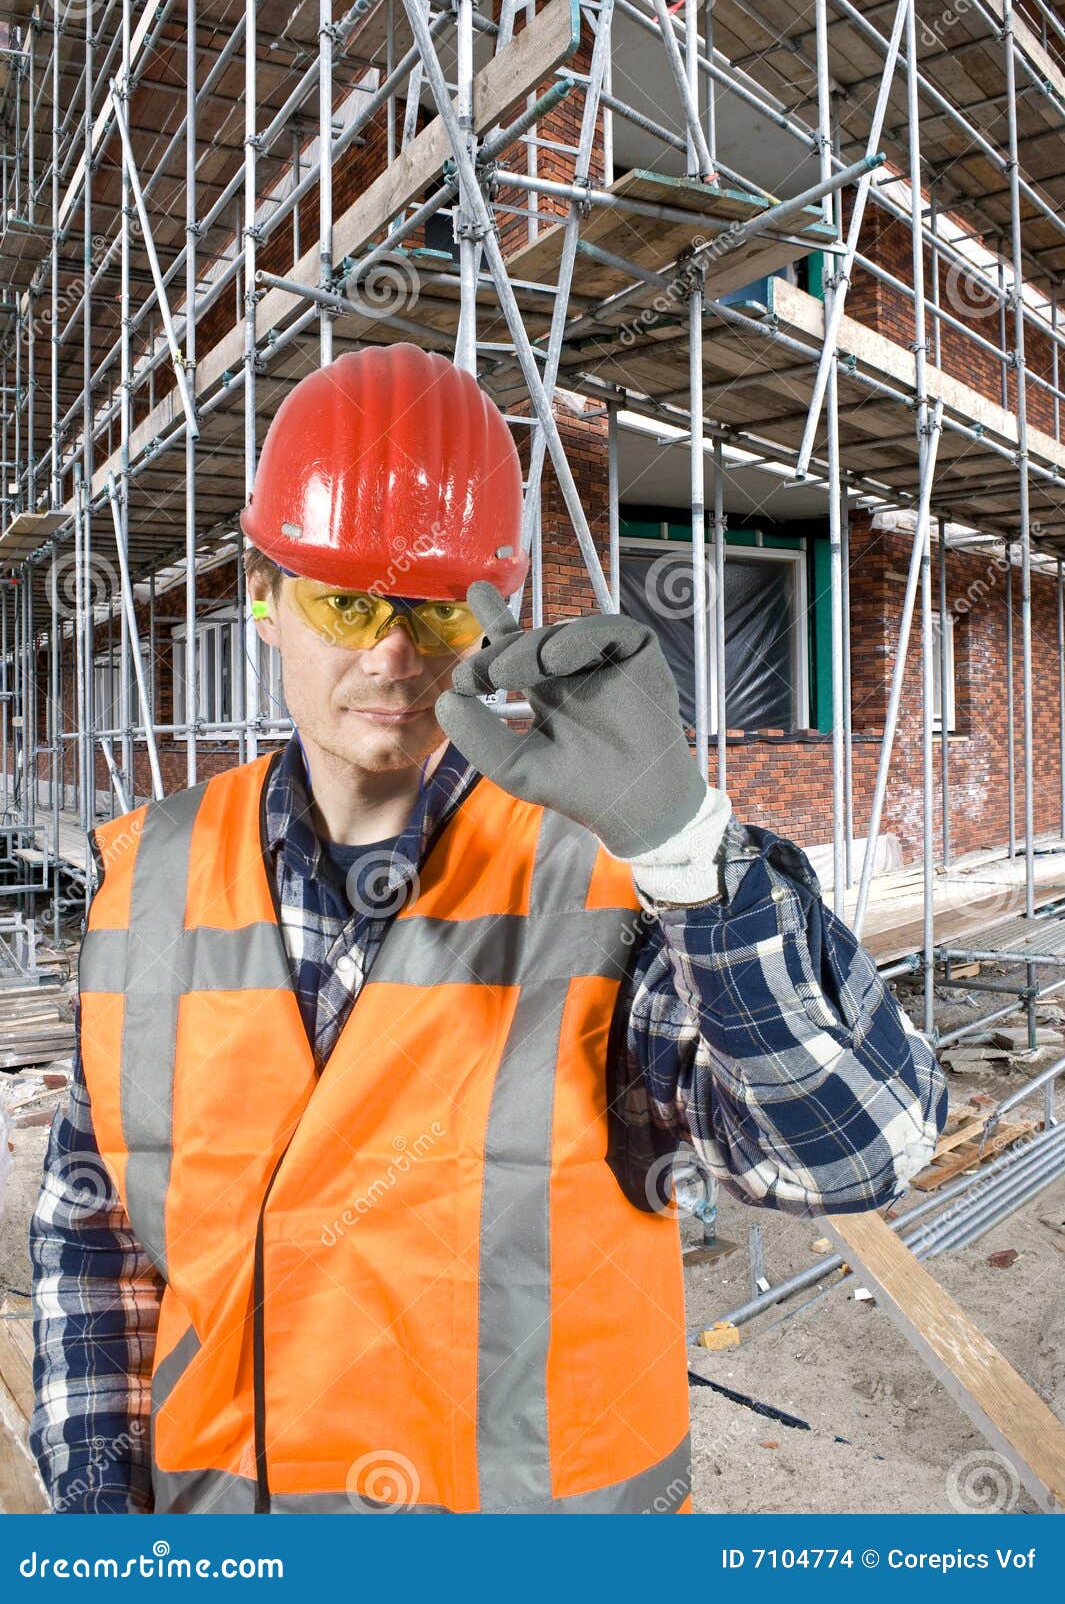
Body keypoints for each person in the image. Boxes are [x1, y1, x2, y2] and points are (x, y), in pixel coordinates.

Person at [29, 343, 946, 1515]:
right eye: (345, 600)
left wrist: (689, 847)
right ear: (263, 597)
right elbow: (96, 1238)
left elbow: (858, 1152)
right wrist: (102, 1527)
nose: (391, 654)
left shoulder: (604, 879)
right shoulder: (146, 874)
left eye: (431, 610)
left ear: (488, 615)